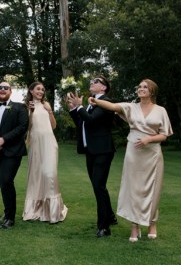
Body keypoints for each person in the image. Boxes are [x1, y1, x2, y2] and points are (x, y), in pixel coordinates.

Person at [89, 79, 173, 242]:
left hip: (152, 154)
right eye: (139, 87)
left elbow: (164, 134)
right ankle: (134, 227)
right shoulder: (131, 107)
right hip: (134, 153)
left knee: (152, 190)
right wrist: (96, 101)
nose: (141, 89)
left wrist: (149, 140)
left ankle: (151, 223)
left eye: (145, 87)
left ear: (152, 91)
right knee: (133, 189)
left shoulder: (160, 110)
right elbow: (113, 107)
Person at [66, 76, 117, 238]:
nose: (92, 83)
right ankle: (110, 216)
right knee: (98, 186)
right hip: (91, 151)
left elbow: (93, 120)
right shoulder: (91, 103)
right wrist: (75, 109)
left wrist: (80, 107)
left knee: (98, 187)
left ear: (103, 88)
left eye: (96, 81)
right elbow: (83, 123)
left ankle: (104, 227)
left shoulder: (106, 102)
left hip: (103, 150)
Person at [0, 81, 29, 229]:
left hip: (13, 151)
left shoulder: (20, 107)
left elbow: (22, 127)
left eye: (5, 88)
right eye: (0, 88)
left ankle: (10, 217)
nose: (2, 90)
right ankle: (7, 211)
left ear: (11, 91)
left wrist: (3, 140)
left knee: (7, 181)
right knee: (2, 182)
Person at [22, 82, 68, 224]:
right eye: (38, 89)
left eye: (42, 89)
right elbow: (27, 127)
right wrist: (30, 112)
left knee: (49, 174)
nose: (41, 91)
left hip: (49, 143)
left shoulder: (46, 105)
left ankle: (53, 211)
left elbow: (53, 126)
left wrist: (50, 111)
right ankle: (35, 209)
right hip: (35, 143)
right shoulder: (26, 106)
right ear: (31, 90)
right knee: (36, 176)